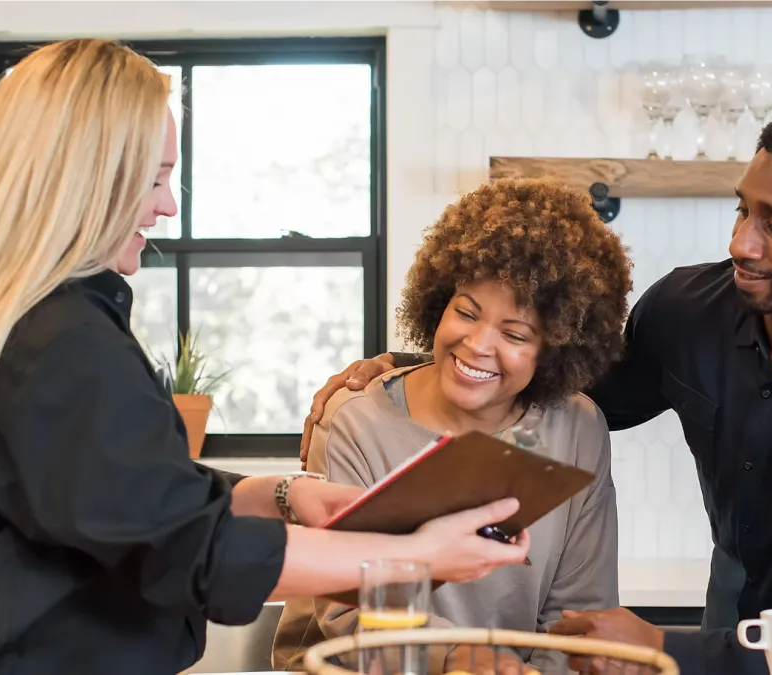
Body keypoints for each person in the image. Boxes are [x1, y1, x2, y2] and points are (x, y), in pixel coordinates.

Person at [0, 39, 529, 675]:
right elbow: (188, 554)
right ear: (86, 180)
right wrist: (417, 559)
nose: (167, 205)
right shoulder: (60, 340)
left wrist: (278, 493)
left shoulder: (13, 322)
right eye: (157, 179)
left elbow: (118, 500)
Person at [302, 102, 772, 675]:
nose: (741, 243)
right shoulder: (691, 309)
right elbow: (553, 378)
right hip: (723, 636)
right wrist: (408, 365)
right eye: (743, 210)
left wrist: (663, 645)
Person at [271, 178, 632, 674]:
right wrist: (460, 658)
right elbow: (347, 614)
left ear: (556, 350)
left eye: (515, 334)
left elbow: (578, 613)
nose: (478, 344)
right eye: (465, 311)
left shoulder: (578, 430)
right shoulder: (356, 421)